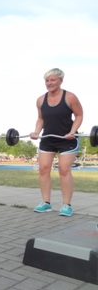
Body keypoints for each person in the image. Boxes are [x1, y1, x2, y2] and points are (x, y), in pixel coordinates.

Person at [30, 68, 83, 217]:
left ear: (61, 80)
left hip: (67, 139)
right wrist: (36, 132)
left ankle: (67, 205)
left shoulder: (70, 97)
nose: (49, 83)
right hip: (48, 138)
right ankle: (46, 203)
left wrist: (72, 131)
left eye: (52, 80)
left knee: (64, 170)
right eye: (47, 80)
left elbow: (79, 115)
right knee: (43, 169)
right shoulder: (40, 100)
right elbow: (41, 119)